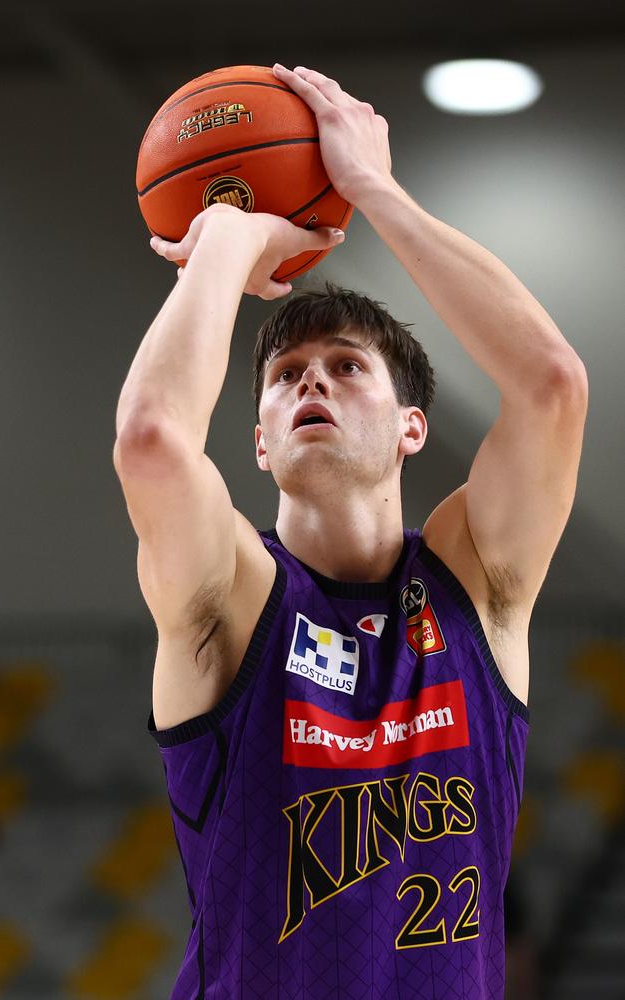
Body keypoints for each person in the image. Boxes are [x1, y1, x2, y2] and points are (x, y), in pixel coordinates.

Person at [113, 64, 588, 999]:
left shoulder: (476, 583)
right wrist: (225, 235)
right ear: (257, 441)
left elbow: (551, 384)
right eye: (285, 375)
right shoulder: (234, 599)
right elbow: (153, 440)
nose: (311, 383)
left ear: (414, 427)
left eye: (346, 366)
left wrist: (372, 187)